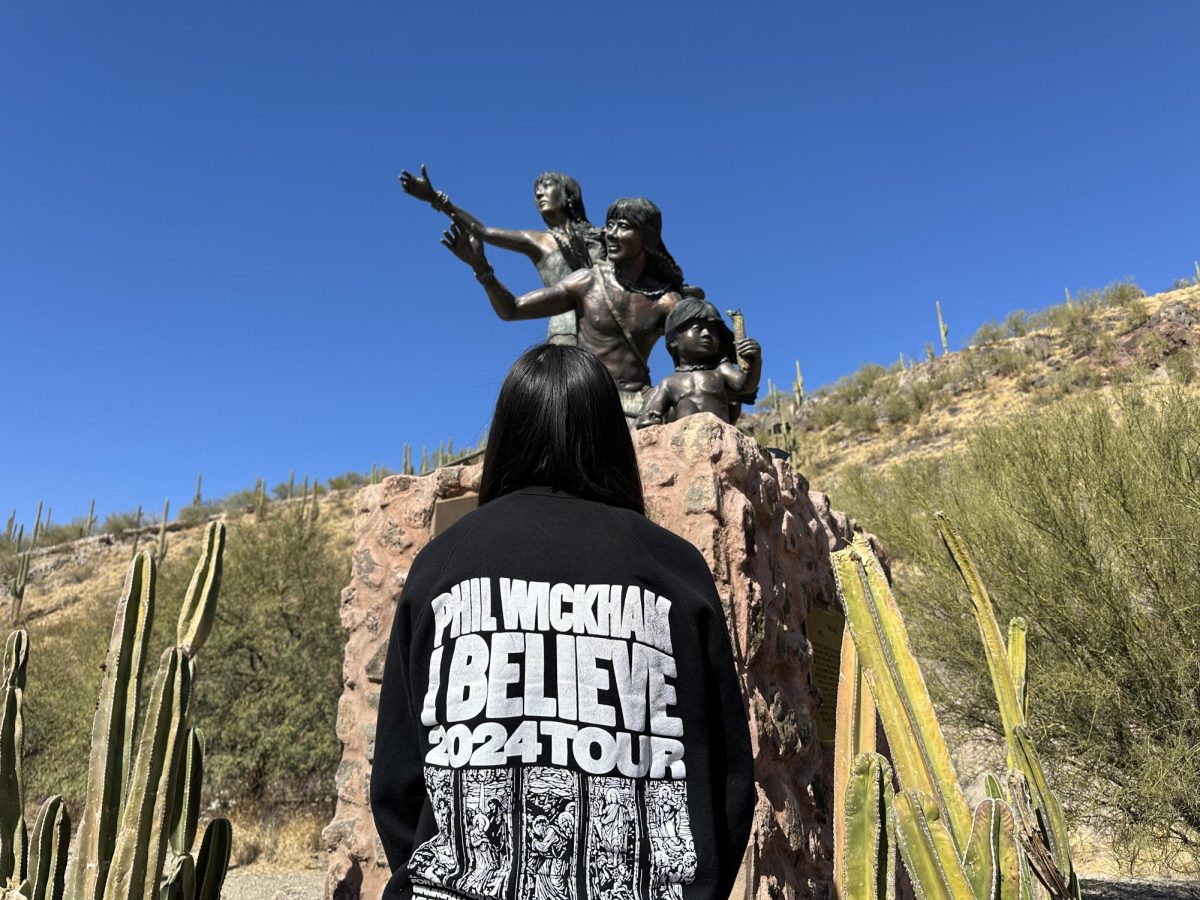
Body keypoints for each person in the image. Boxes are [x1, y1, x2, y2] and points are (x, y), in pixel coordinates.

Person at [370, 344, 755, 900]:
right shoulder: (673, 567)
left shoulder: (444, 563)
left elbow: (398, 777)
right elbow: (728, 777)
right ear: (609, 436)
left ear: (506, 434)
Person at [440, 197, 698, 423]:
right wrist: (482, 268)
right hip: (588, 398)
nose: (611, 234)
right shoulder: (587, 282)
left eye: (624, 227)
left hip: (639, 403)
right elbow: (512, 309)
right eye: (610, 225)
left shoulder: (666, 301)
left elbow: (696, 365)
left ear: (647, 237)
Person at [399, 165, 604, 344]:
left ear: (568, 193)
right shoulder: (537, 240)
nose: (539, 194)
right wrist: (436, 199)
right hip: (566, 329)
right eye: (536, 191)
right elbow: (483, 231)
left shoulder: (604, 237)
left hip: (606, 322)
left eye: (547, 185)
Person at [637, 298, 762, 427]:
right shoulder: (668, 383)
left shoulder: (721, 370)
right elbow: (651, 414)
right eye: (698, 328)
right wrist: (651, 420)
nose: (707, 333)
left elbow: (746, 385)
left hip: (719, 435)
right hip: (686, 439)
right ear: (674, 340)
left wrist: (755, 361)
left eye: (713, 329)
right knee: (686, 405)